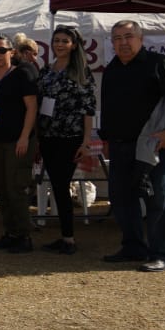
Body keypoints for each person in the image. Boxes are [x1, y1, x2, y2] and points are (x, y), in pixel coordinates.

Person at [99, 20, 165, 272]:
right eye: (117, 38)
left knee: (156, 201)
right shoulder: (111, 69)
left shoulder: (158, 64)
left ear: (140, 38)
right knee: (121, 198)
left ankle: (160, 254)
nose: (123, 42)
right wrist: (106, 138)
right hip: (120, 145)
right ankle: (133, 247)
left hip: (153, 146)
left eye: (128, 36)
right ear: (112, 43)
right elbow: (108, 106)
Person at [35, 26, 97, 255]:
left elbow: (89, 109)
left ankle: (69, 238)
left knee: (62, 185)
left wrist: (86, 141)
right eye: (56, 40)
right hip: (48, 136)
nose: (59, 44)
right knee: (57, 187)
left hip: (71, 138)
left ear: (74, 44)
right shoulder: (46, 71)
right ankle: (65, 236)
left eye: (64, 41)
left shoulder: (81, 71)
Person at [0, 36, 38, 252]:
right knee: (0, 188)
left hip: (17, 140)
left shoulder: (22, 74)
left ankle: (24, 236)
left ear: (11, 52)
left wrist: (24, 136)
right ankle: (11, 232)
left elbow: (31, 107)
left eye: (1, 50)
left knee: (16, 188)